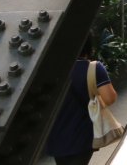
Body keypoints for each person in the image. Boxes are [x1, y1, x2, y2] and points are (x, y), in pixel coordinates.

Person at [45, 35, 117, 165]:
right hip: (81, 138)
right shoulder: (93, 68)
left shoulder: (49, 70)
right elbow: (110, 98)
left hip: (55, 138)